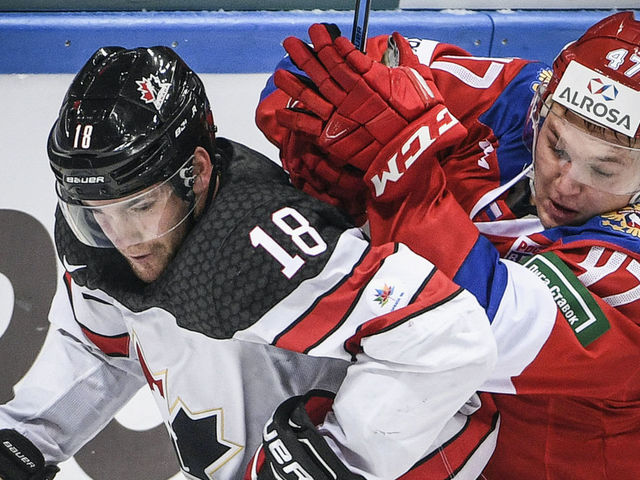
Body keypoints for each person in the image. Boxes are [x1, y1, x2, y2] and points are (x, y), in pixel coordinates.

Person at [0, 46, 499, 480]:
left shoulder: (261, 242)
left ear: (194, 172)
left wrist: (338, 456)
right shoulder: (100, 245)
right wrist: (25, 439)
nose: (122, 237)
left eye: (140, 206)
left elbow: (446, 336)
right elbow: (105, 347)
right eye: (97, 213)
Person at [255, 11, 640, 479]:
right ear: (542, 105)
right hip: (429, 443)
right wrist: (319, 139)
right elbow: (312, 75)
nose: (567, 183)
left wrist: (398, 168)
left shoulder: (628, 271)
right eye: (557, 146)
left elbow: (471, 325)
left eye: (604, 170)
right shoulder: (510, 99)